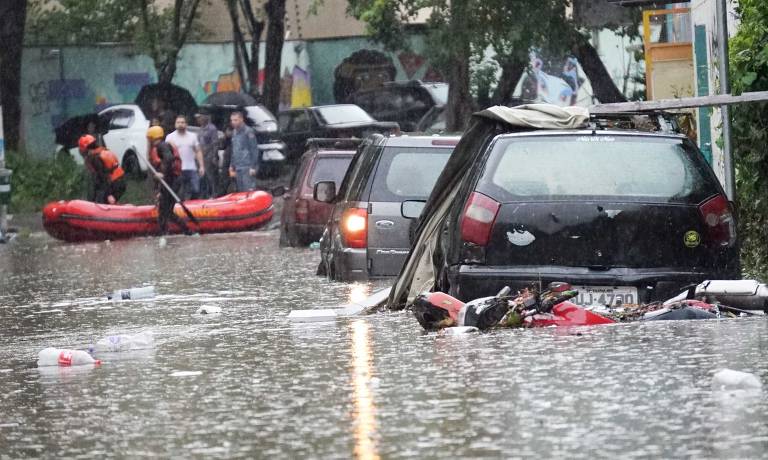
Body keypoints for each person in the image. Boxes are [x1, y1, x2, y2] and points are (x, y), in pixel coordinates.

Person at [146, 126, 192, 236]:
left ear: (152, 137)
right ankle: (186, 231)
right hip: (171, 181)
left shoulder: (162, 146)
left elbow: (169, 158)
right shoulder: (161, 147)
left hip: (172, 181)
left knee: (164, 209)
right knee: (166, 210)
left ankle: (165, 233)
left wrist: (162, 174)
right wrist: (158, 189)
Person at [77, 134, 126, 204]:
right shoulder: (103, 151)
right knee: (99, 195)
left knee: (101, 201)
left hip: (114, 184)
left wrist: (109, 194)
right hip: (120, 182)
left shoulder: (95, 158)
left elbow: (103, 177)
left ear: (85, 149)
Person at [165, 115, 205, 200]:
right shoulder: (170, 137)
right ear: (175, 124)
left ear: (186, 124)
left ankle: (193, 205)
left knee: (196, 190)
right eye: (178, 122)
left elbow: (198, 151)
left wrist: (201, 166)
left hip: (191, 168)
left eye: (182, 122)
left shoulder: (193, 136)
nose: (180, 124)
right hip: (177, 169)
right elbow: (165, 155)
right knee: (179, 193)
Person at [228, 111, 260, 192]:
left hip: (247, 166)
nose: (233, 122)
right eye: (232, 120)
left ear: (241, 119)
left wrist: (253, 167)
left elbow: (254, 149)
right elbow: (234, 150)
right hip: (238, 166)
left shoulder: (248, 131)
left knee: (248, 191)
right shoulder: (234, 132)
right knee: (240, 192)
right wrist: (231, 165)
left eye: (235, 120)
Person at [195, 112, 220, 198]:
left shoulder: (212, 129)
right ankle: (204, 195)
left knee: (211, 177)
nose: (198, 120)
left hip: (209, 156)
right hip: (201, 157)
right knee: (202, 177)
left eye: (200, 117)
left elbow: (215, 144)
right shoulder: (201, 129)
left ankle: (214, 194)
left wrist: (214, 157)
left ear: (205, 117)